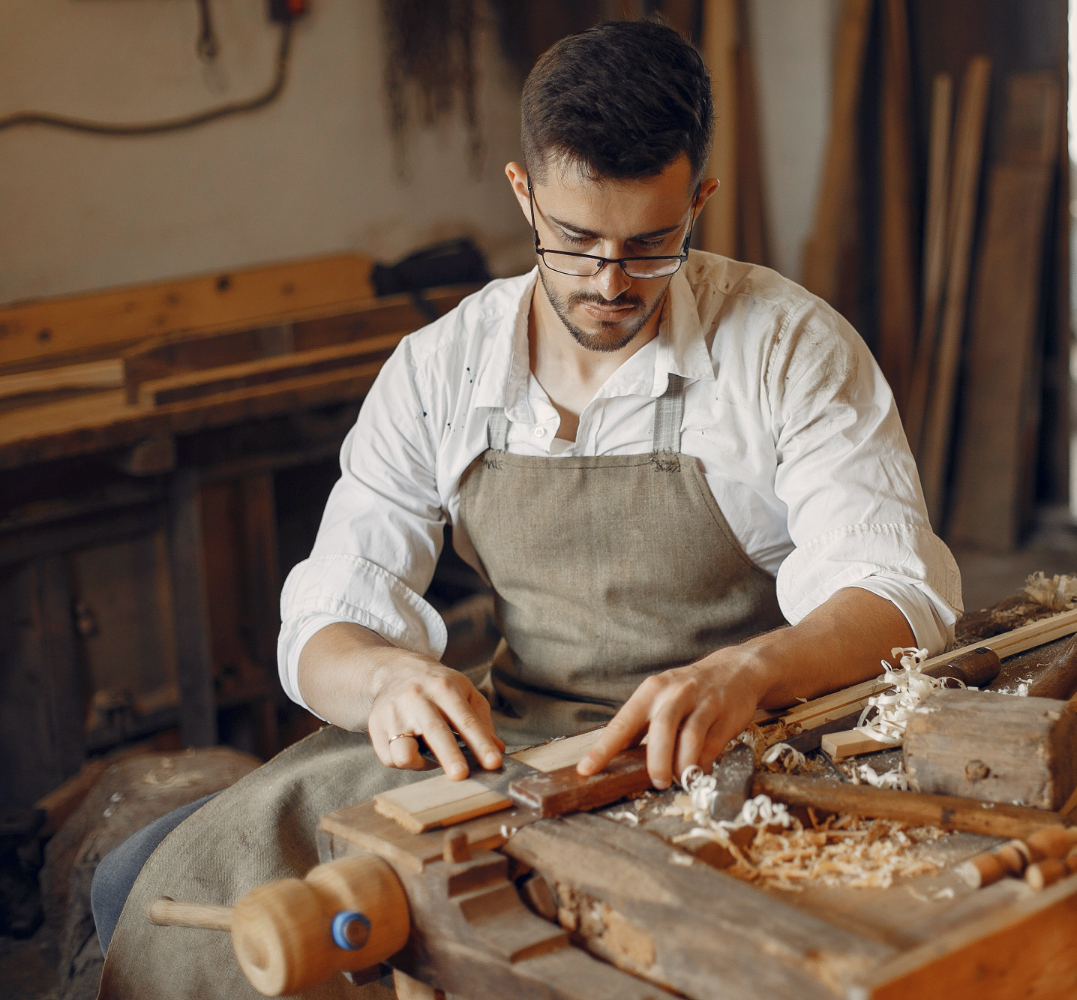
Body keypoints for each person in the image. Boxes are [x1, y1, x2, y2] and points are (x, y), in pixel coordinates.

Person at [94, 20, 960, 997]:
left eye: (649, 245)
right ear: (523, 193)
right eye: (576, 241)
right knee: (177, 891)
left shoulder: (784, 346)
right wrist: (383, 680)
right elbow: (326, 617)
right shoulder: (441, 369)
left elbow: (898, 588)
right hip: (509, 740)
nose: (609, 283)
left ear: (700, 200)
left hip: (723, 751)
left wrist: (749, 671)